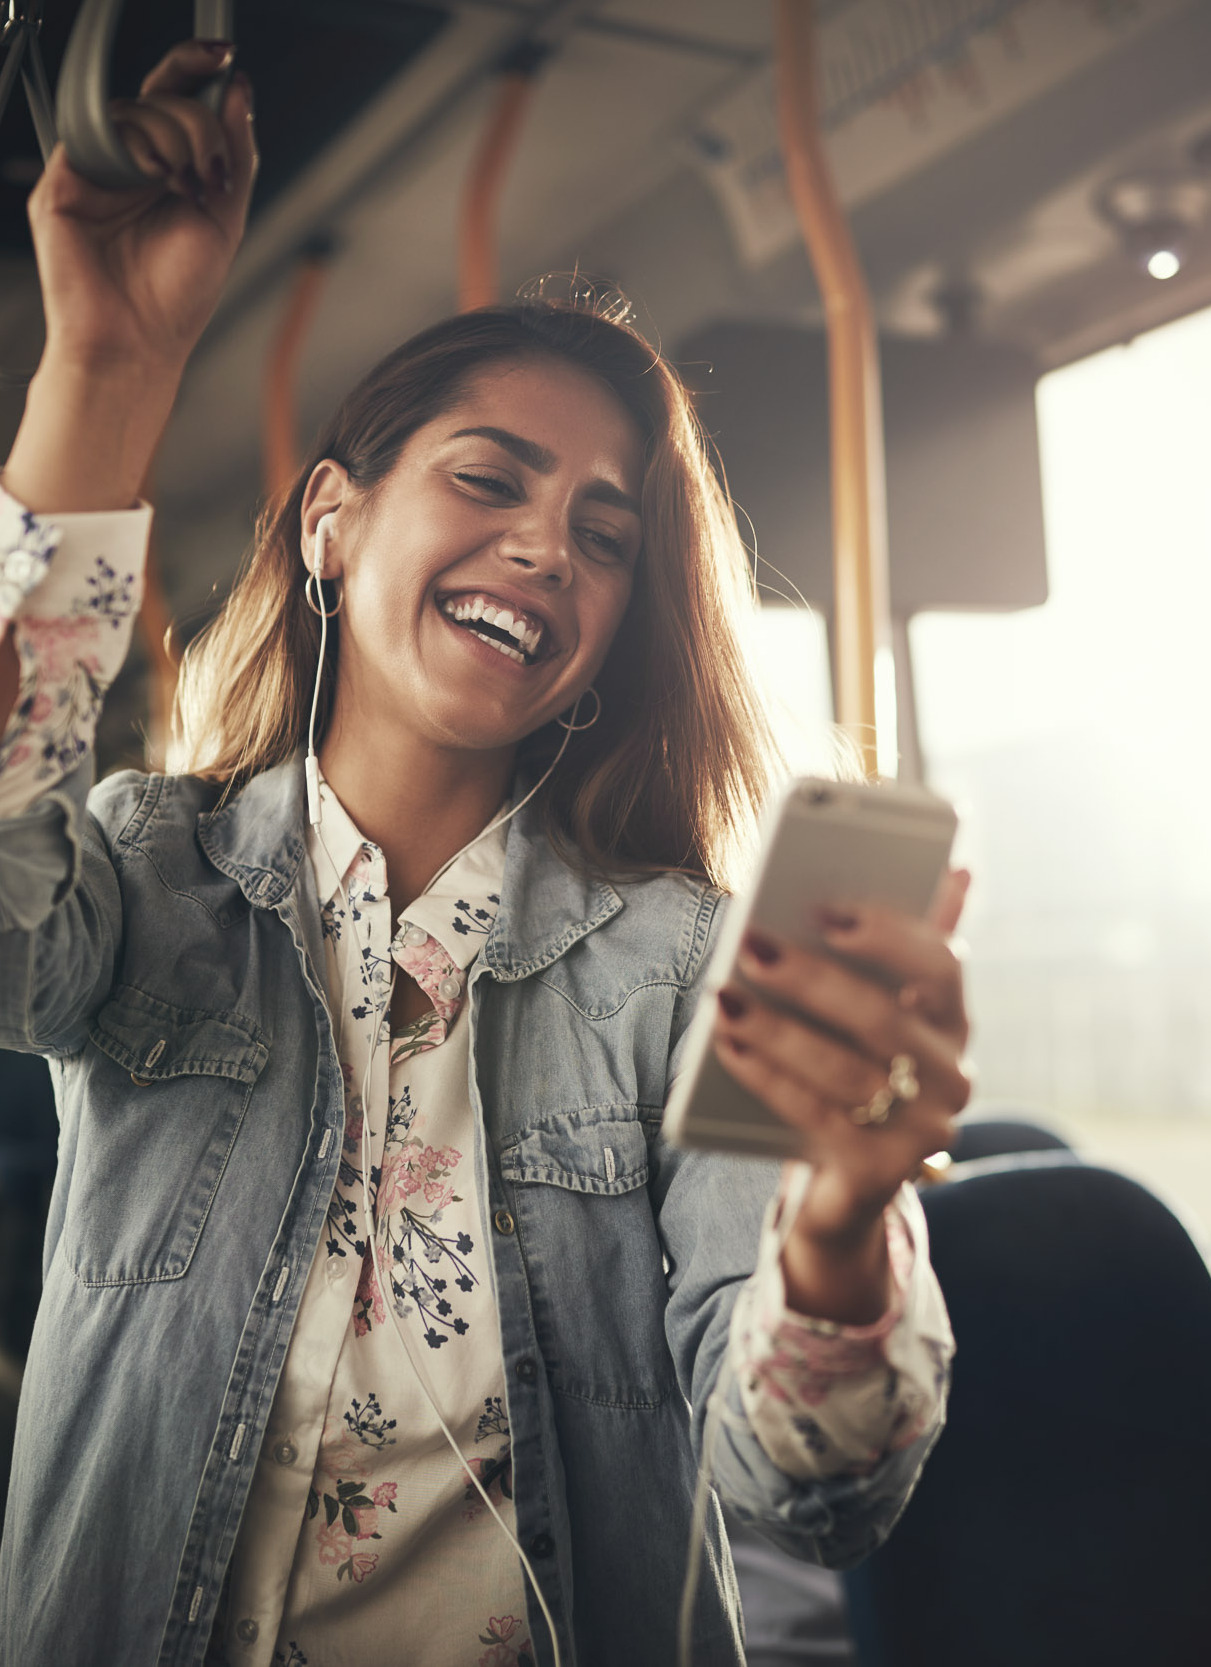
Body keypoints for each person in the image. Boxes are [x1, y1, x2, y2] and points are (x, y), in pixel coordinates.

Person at [0, 39, 970, 1667]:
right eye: (489, 479)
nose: (550, 543)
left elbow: (804, 1493)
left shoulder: (684, 965)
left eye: (606, 533)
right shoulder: (147, 878)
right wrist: (105, 364)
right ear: (331, 521)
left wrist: (836, 1237)